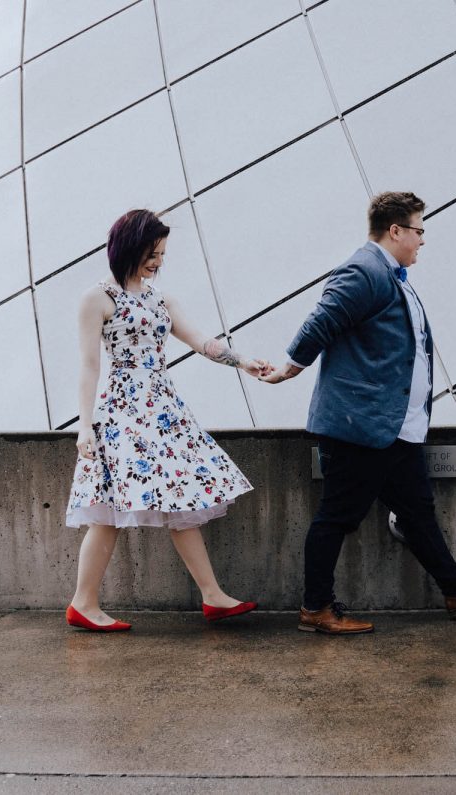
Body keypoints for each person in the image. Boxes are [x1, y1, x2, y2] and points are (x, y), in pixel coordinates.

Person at [259, 191, 456, 634]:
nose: (422, 241)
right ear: (395, 230)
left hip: (394, 427)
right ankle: (315, 608)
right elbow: (322, 320)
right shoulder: (364, 270)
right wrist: (289, 368)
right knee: (337, 516)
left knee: (417, 511)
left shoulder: (392, 276)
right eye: (418, 230)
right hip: (362, 427)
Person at [64, 209, 269, 631]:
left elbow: (201, 342)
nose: (158, 262)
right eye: (151, 253)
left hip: (163, 409)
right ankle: (83, 603)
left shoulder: (161, 298)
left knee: (183, 501)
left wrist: (244, 362)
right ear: (128, 248)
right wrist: (85, 426)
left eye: (161, 254)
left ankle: (212, 596)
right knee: (108, 509)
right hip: (122, 410)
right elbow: (88, 366)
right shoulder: (96, 298)